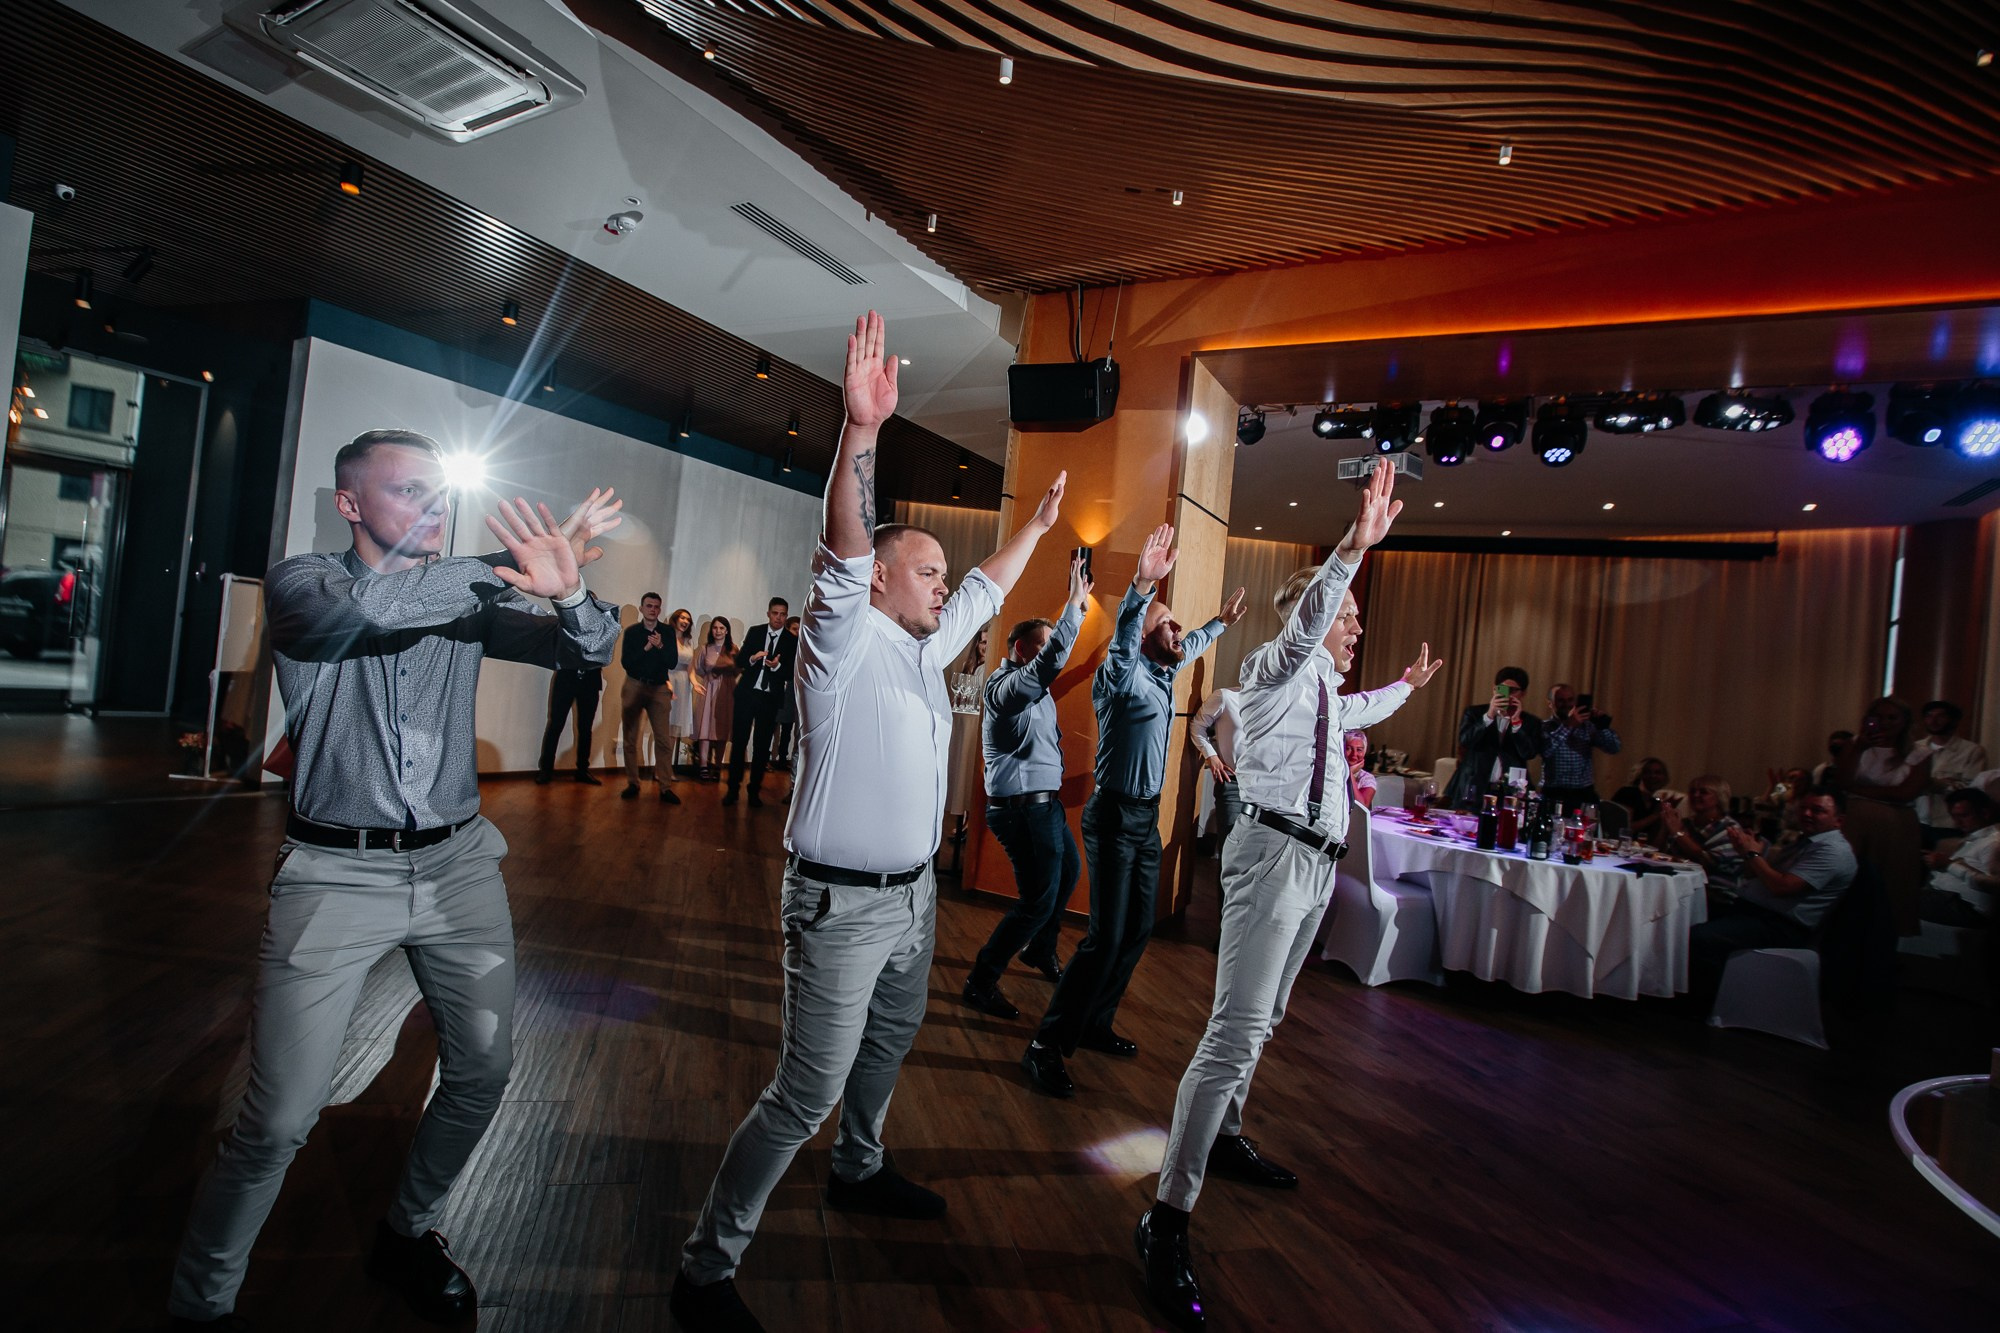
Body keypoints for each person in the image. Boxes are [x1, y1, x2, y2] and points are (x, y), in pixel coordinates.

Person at [166, 429, 621, 1330]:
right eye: (408, 491)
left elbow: (592, 648)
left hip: (457, 865)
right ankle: (200, 1304)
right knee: (276, 1121)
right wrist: (508, 562)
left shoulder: (466, 596)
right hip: (334, 872)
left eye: (436, 492)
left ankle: (408, 1229)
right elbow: (377, 609)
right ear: (350, 504)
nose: (430, 507)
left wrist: (569, 588)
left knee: (485, 1069)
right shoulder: (304, 582)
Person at [670, 312, 1069, 1333]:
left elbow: (985, 589)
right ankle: (705, 1268)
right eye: (926, 569)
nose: (944, 581)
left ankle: (860, 1169)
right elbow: (843, 541)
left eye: (942, 574)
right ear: (881, 578)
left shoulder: (923, 652)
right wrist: (860, 435)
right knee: (802, 1093)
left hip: (911, 900)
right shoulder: (840, 639)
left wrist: (1039, 527)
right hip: (839, 906)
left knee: (886, 1050)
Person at [1139, 459, 1442, 1332]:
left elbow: (1357, 714)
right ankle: (1166, 1218)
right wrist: (1353, 547)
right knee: (1233, 1031)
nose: (1354, 630)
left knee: (1265, 1020)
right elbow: (1310, 618)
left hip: (1313, 869)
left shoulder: (1322, 694)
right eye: (1348, 616)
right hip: (1272, 856)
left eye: (1354, 620)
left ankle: (1224, 1133)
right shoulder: (1276, 667)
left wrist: (1403, 691)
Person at [1020, 525, 1248, 1100]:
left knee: (1138, 928)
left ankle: (1095, 1022)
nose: (1177, 629)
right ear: (1143, 633)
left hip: (1145, 820)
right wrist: (1143, 584)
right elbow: (1126, 633)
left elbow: (1189, 642)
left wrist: (1217, 623)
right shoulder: (1121, 673)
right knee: (1104, 936)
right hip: (1115, 818)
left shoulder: (1164, 667)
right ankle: (1045, 1046)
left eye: (1175, 622)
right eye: (1165, 621)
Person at [961, 554, 1093, 1022]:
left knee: (1068, 877)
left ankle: (1039, 950)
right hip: (1020, 811)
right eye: (1042, 646)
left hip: (1045, 808)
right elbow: (1051, 665)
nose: (1051, 654)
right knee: (1037, 900)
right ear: (1020, 651)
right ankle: (981, 980)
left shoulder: (1034, 691)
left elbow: (1053, 669)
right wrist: (1074, 605)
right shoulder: (1004, 688)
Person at [1689, 786, 1856, 1000]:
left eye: (1817, 810)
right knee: (1686, 911)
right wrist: (1747, 852)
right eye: (1803, 808)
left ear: (1838, 821)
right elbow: (1756, 874)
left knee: (1700, 938)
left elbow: (1782, 887)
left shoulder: (1833, 851)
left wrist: (1751, 853)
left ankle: (1701, 1003)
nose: (1806, 814)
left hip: (1779, 925)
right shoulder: (1808, 842)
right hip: (1755, 911)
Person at [1837, 696, 1931, 933]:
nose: (1885, 723)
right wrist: (1859, 747)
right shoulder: (1855, 746)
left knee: (1892, 886)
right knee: (1850, 880)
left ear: (1904, 722)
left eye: (1892, 718)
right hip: (1856, 822)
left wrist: (1859, 790)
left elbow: (1905, 792)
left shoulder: (1919, 753)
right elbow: (1841, 780)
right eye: (1879, 717)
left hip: (1896, 825)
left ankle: (1885, 946)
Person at [723, 596, 796, 807]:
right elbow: (739, 661)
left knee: (762, 748)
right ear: (768, 613)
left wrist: (776, 667)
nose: (779, 618)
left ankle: (754, 791)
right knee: (739, 744)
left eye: (783, 614)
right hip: (747, 694)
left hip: (770, 698)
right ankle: (732, 790)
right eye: (775, 613)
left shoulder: (791, 640)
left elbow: (792, 670)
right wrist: (753, 659)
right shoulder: (756, 632)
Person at [1444, 667, 1542, 808]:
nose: (1508, 695)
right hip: (1473, 786)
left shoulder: (1531, 722)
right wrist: (1489, 716)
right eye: (1503, 689)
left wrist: (1516, 723)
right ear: (1494, 689)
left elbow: (1529, 753)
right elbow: (1465, 740)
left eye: (1513, 691)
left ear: (1523, 693)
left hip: (1509, 791)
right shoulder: (1474, 713)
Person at [620, 592, 681, 804]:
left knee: (663, 739)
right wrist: (646, 648)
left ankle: (665, 787)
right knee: (630, 737)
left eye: (656, 606)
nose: (652, 609)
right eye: (649, 606)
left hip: (659, 688)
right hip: (635, 684)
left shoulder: (667, 632)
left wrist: (660, 646)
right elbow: (627, 663)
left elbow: (672, 662)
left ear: (660, 609)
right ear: (641, 608)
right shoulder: (632, 632)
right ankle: (632, 783)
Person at [1658, 775, 1746, 906]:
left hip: (1716, 896)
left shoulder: (1729, 828)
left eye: (1703, 792)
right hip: (1680, 888)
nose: (1696, 795)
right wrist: (1666, 826)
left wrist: (1677, 832)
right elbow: (1660, 854)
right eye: (1693, 791)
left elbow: (1706, 861)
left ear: (1719, 797)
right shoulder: (1687, 823)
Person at [1919, 788, 1998, 927]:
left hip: (1968, 909)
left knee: (1896, 895)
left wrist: (1949, 865)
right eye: (1954, 817)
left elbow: (1995, 884)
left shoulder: (1993, 843)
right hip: (1945, 899)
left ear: (1985, 813)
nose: (1957, 823)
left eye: (1964, 816)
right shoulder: (1972, 840)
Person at [1912, 701, 1988, 844]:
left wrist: (1936, 784)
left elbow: (1971, 789)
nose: (1933, 721)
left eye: (1940, 716)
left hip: (1948, 823)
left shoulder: (1971, 751)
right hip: (1915, 819)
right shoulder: (1915, 747)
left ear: (1953, 720)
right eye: (1929, 716)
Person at [1539, 683, 1621, 809]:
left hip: (1583, 793)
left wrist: (1602, 725)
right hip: (1554, 793)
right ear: (1550, 703)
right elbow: (1546, 751)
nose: (1566, 704)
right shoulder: (1544, 727)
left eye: (1570, 700)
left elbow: (1614, 748)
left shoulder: (1587, 726)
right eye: (1561, 700)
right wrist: (1569, 725)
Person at [534, 660, 603, 785]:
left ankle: (582, 770)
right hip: (566, 679)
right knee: (555, 725)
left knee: (585, 728)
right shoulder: (567, 639)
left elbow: (604, 656)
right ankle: (546, 769)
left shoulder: (600, 639)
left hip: (590, 682)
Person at [1191, 686, 1243, 843]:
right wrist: (1211, 755)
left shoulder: (1275, 700)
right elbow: (1197, 726)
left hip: (1266, 787)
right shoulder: (1226, 696)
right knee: (1230, 847)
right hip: (1233, 782)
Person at [692, 616, 736, 780]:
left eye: (721, 628)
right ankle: (703, 765)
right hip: (709, 689)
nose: (718, 631)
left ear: (727, 630)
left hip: (726, 691)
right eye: (715, 628)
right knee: (705, 728)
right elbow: (698, 669)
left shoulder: (733, 649)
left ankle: (718, 765)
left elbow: (739, 669)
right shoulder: (705, 648)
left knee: (722, 729)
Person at [768, 615, 802, 772]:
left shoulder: (802, 647)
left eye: (800, 629)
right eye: (795, 629)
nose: (798, 632)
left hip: (793, 690)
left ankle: (783, 758)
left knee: (788, 727)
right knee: (772, 725)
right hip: (780, 688)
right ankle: (765, 758)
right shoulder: (782, 645)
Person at [1611, 756, 1674, 842]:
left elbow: (1656, 842)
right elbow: (1625, 829)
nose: (1653, 776)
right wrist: (1655, 815)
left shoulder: (1655, 803)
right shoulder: (1628, 793)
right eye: (1648, 772)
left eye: (1658, 773)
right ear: (1640, 775)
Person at [668, 607, 697, 771]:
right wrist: (666, 683)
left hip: (683, 685)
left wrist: (694, 682)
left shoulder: (689, 641)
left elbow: (690, 668)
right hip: (668, 680)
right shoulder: (666, 637)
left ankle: (667, 768)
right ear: (676, 619)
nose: (685, 621)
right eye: (683, 618)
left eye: (688, 619)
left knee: (674, 728)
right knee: (664, 726)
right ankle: (660, 767)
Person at [1345, 730, 1377, 809]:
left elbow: (1362, 807)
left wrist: (1350, 773)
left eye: (1359, 750)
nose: (1354, 754)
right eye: (1349, 749)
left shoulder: (1366, 778)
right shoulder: (1333, 773)